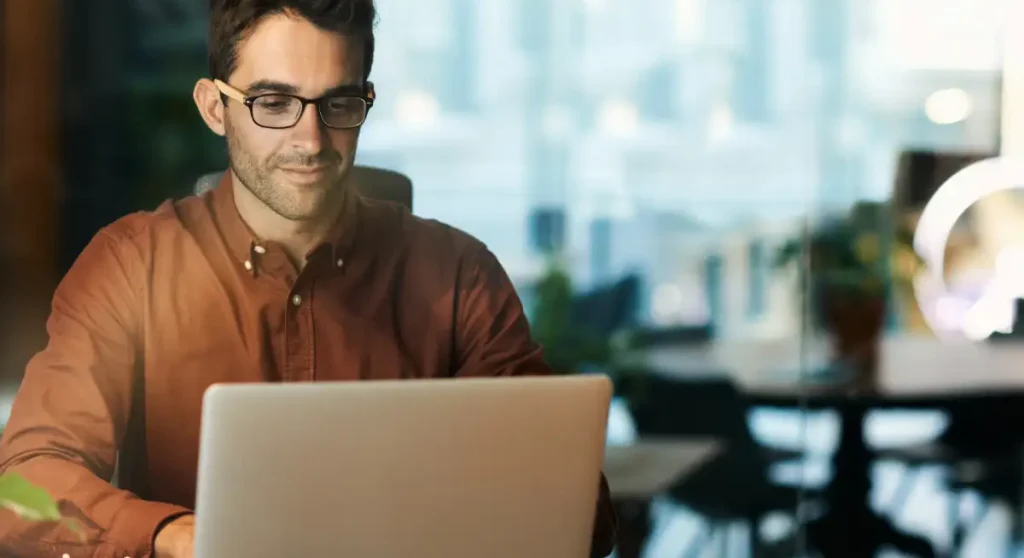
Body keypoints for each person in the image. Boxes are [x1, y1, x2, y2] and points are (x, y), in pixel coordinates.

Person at [0, 1, 617, 556]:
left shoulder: (459, 276)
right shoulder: (130, 267)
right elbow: (20, 488)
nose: (311, 138)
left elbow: (575, 510)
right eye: (273, 103)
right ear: (216, 108)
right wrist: (173, 535)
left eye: (339, 104)